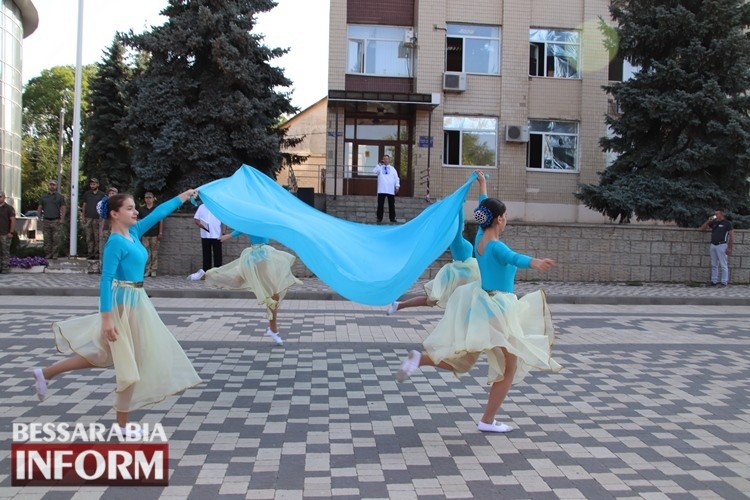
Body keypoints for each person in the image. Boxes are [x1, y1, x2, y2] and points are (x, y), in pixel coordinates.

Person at [395, 171, 561, 433]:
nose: (506, 220)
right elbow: (515, 257)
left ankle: (420, 360)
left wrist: (482, 186)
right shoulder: (496, 246)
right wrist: (536, 262)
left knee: (465, 360)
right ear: (499, 219)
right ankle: (487, 420)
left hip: (483, 306)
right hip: (499, 309)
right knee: (509, 366)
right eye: (504, 216)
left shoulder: (479, 240)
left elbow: (485, 209)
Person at [32, 189, 202, 437]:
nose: (135, 211)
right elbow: (105, 280)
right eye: (129, 208)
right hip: (123, 305)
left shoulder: (133, 232)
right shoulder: (114, 243)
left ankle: (46, 373)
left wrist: (183, 196)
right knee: (128, 363)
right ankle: (122, 427)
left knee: (106, 356)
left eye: (135, 207)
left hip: (138, 300)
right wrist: (107, 318)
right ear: (114, 214)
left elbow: (158, 213)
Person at [195, 230, 302, 345]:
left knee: (268, 293)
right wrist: (229, 235)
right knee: (270, 294)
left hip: (262, 256)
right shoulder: (254, 219)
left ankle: (206, 275)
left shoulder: (265, 219)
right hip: (257, 257)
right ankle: (206, 275)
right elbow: (242, 227)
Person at [387, 209, 479, 314]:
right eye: (461, 223)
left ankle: (399, 305)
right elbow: (458, 224)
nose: (463, 224)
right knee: (432, 300)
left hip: (464, 275)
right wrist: (460, 205)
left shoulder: (459, 240)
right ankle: (399, 305)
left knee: (433, 300)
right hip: (460, 275)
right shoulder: (457, 240)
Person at [700, 208, 734, 287]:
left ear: (722, 214)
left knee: (723, 264)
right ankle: (713, 281)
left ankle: (724, 282)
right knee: (714, 264)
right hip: (713, 245)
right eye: (715, 214)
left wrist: (729, 247)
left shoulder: (727, 223)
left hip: (722, 245)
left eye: (717, 214)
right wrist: (708, 221)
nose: (715, 215)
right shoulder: (714, 222)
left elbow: (732, 235)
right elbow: (702, 229)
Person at [190, 202, 223, 276]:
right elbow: (196, 219)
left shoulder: (218, 206)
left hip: (216, 234)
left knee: (218, 255)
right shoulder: (202, 207)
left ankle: (217, 273)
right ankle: (206, 272)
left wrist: (223, 233)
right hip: (205, 234)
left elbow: (223, 221)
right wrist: (199, 224)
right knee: (206, 254)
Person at [37, 179, 67, 259]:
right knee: (47, 239)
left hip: (56, 220)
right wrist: (39, 218)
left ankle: (55, 254)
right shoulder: (43, 197)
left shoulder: (60, 197)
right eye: (50, 184)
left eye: (53, 185)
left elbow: (63, 207)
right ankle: (48, 254)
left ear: (56, 186)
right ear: (48, 185)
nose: (52, 186)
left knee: (56, 239)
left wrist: (62, 218)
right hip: (46, 220)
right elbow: (40, 207)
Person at [138, 192, 163, 277]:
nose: (148, 199)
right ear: (145, 199)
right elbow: (139, 222)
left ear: (153, 199)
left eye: (150, 198)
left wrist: (160, 232)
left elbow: (161, 220)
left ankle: (154, 270)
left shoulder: (156, 209)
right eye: (146, 198)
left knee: (154, 252)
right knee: (146, 253)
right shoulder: (142, 209)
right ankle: (148, 269)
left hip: (155, 233)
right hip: (145, 234)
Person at [81, 178, 106, 260]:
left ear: (98, 185)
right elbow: (84, 205)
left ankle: (97, 253)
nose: (92, 185)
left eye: (94, 184)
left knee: (97, 237)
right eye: (91, 184)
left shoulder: (102, 194)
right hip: (88, 218)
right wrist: (83, 216)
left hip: (97, 218)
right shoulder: (87, 194)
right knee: (89, 237)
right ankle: (90, 253)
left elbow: (103, 206)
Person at [373, 154, 400, 224]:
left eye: (387, 159)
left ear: (389, 160)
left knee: (391, 205)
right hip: (381, 189)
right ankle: (379, 218)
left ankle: (392, 218)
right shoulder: (380, 168)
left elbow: (396, 178)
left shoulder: (393, 169)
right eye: (384, 159)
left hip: (390, 190)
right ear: (383, 160)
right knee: (380, 205)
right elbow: (374, 171)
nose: (385, 160)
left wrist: (397, 186)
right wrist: (379, 165)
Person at [98, 187, 119, 262]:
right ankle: (103, 266)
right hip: (105, 230)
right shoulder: (103, 204)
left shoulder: (120, 205)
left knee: (115, 248)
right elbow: (101, 219)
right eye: (109, 193)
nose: (111, 195)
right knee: (104, 247)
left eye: (113, 193)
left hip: (116, 230)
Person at [0, 191, 16, 273]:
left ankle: (5, 268)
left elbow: (13, 220)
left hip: (5, 234)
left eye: (0, 197)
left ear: (4, 197)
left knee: (5, 251)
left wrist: (11, 232)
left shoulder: (9, 208)